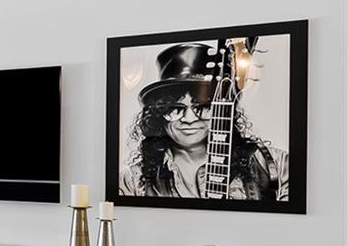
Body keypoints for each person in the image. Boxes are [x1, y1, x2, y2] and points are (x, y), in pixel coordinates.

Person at [121, 42, 286, 201]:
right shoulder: (133, 181)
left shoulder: (273, 164)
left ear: (221, 109)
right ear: (158, 114)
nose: (189, 119)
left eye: (203, 107)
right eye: (174, 109)